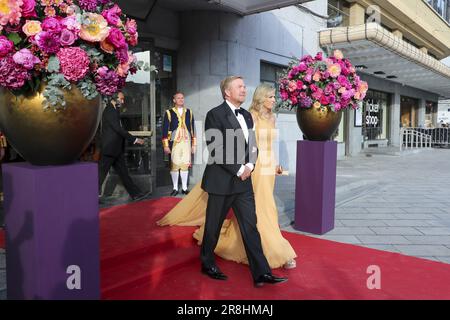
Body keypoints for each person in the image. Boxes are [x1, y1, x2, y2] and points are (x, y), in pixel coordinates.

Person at [159, 78, 289, 287]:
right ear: (227, 92)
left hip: (244, 182)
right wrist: (239, 169)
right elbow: (216, 149)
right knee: (213, 225)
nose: (244, 89)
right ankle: (207, 263)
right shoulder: (215, 114)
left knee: (250, 227)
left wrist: (249, 166)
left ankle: (262, 273)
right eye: (239, 87)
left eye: (244, 87)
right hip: (222, 182)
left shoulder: (246, 115)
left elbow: (253, 145)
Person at [98, 92, 148, 201]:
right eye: (121, 99)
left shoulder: (114, 110)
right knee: (100, 175)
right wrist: (135, 139)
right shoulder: (110, 111)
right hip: (110, 149)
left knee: (124, 174)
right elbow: (119, 129)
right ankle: (89, 198)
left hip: (116, 149)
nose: (123, 101)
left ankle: (136, 194)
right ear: (114, 99)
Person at [162, 92, 197, 196]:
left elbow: (192, 129)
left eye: (182, 98)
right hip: (174, 142)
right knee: (174, 165)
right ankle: (175, 188)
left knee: (185, 164)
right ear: (174, 100)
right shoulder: (169, 112)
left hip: (186, 142)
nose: (181, 100)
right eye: (178, 98)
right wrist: (166, 145)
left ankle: (185, 188)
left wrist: (194, 144)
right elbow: (165, 129)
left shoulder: (189, 112)